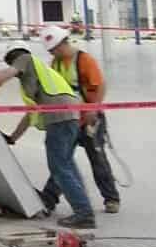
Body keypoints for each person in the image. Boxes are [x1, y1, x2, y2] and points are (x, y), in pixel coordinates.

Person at [0, 44, 95, 229]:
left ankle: (84, 214)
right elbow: (30, 115)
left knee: (59, 167)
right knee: (68, 166)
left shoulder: (24, 59)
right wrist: (13, 137)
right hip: (70, 117)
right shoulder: (40, 75)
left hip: (59, 118)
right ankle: (84, 208)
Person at [40, 24, 120, 214]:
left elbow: (100, 85)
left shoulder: (84, 60)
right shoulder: (56, 64)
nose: (52, 54)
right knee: (62, 160)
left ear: (61, 45)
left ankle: (111, 198)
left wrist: (94, 109)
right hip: (70, 120)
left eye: (53, 50)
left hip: (89, 119)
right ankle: (49, 198)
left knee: (97, 159)